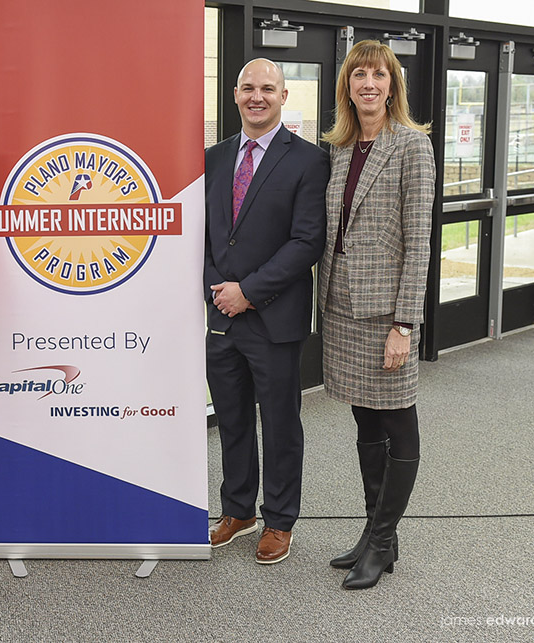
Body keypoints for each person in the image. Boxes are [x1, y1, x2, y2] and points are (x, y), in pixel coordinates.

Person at [318, 40, 435, 590]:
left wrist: (404, 325)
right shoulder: (340, 148)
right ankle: (374, 533)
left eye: (379, 75)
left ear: (393, 86)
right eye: (359, 74)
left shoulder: (412, 145)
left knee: (398, 421)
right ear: (348, 84)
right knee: (365, 419)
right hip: (343, 307)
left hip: (387, 313)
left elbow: (418, 243)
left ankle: (384, 540)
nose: (368, 83)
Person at [204, 59, 329, 564]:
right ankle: (238, 510)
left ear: (283, 96)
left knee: (279, 425)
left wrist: (249, 291)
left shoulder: (308, 160)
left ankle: (279, 519)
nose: (257, 96)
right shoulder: (213, 158)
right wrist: (218, 290)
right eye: (248, 88)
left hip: (274, 317)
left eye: (268, 89)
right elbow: (205, 235)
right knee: (231, 420)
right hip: (221, 316)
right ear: (235, 94)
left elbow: (306, 242)